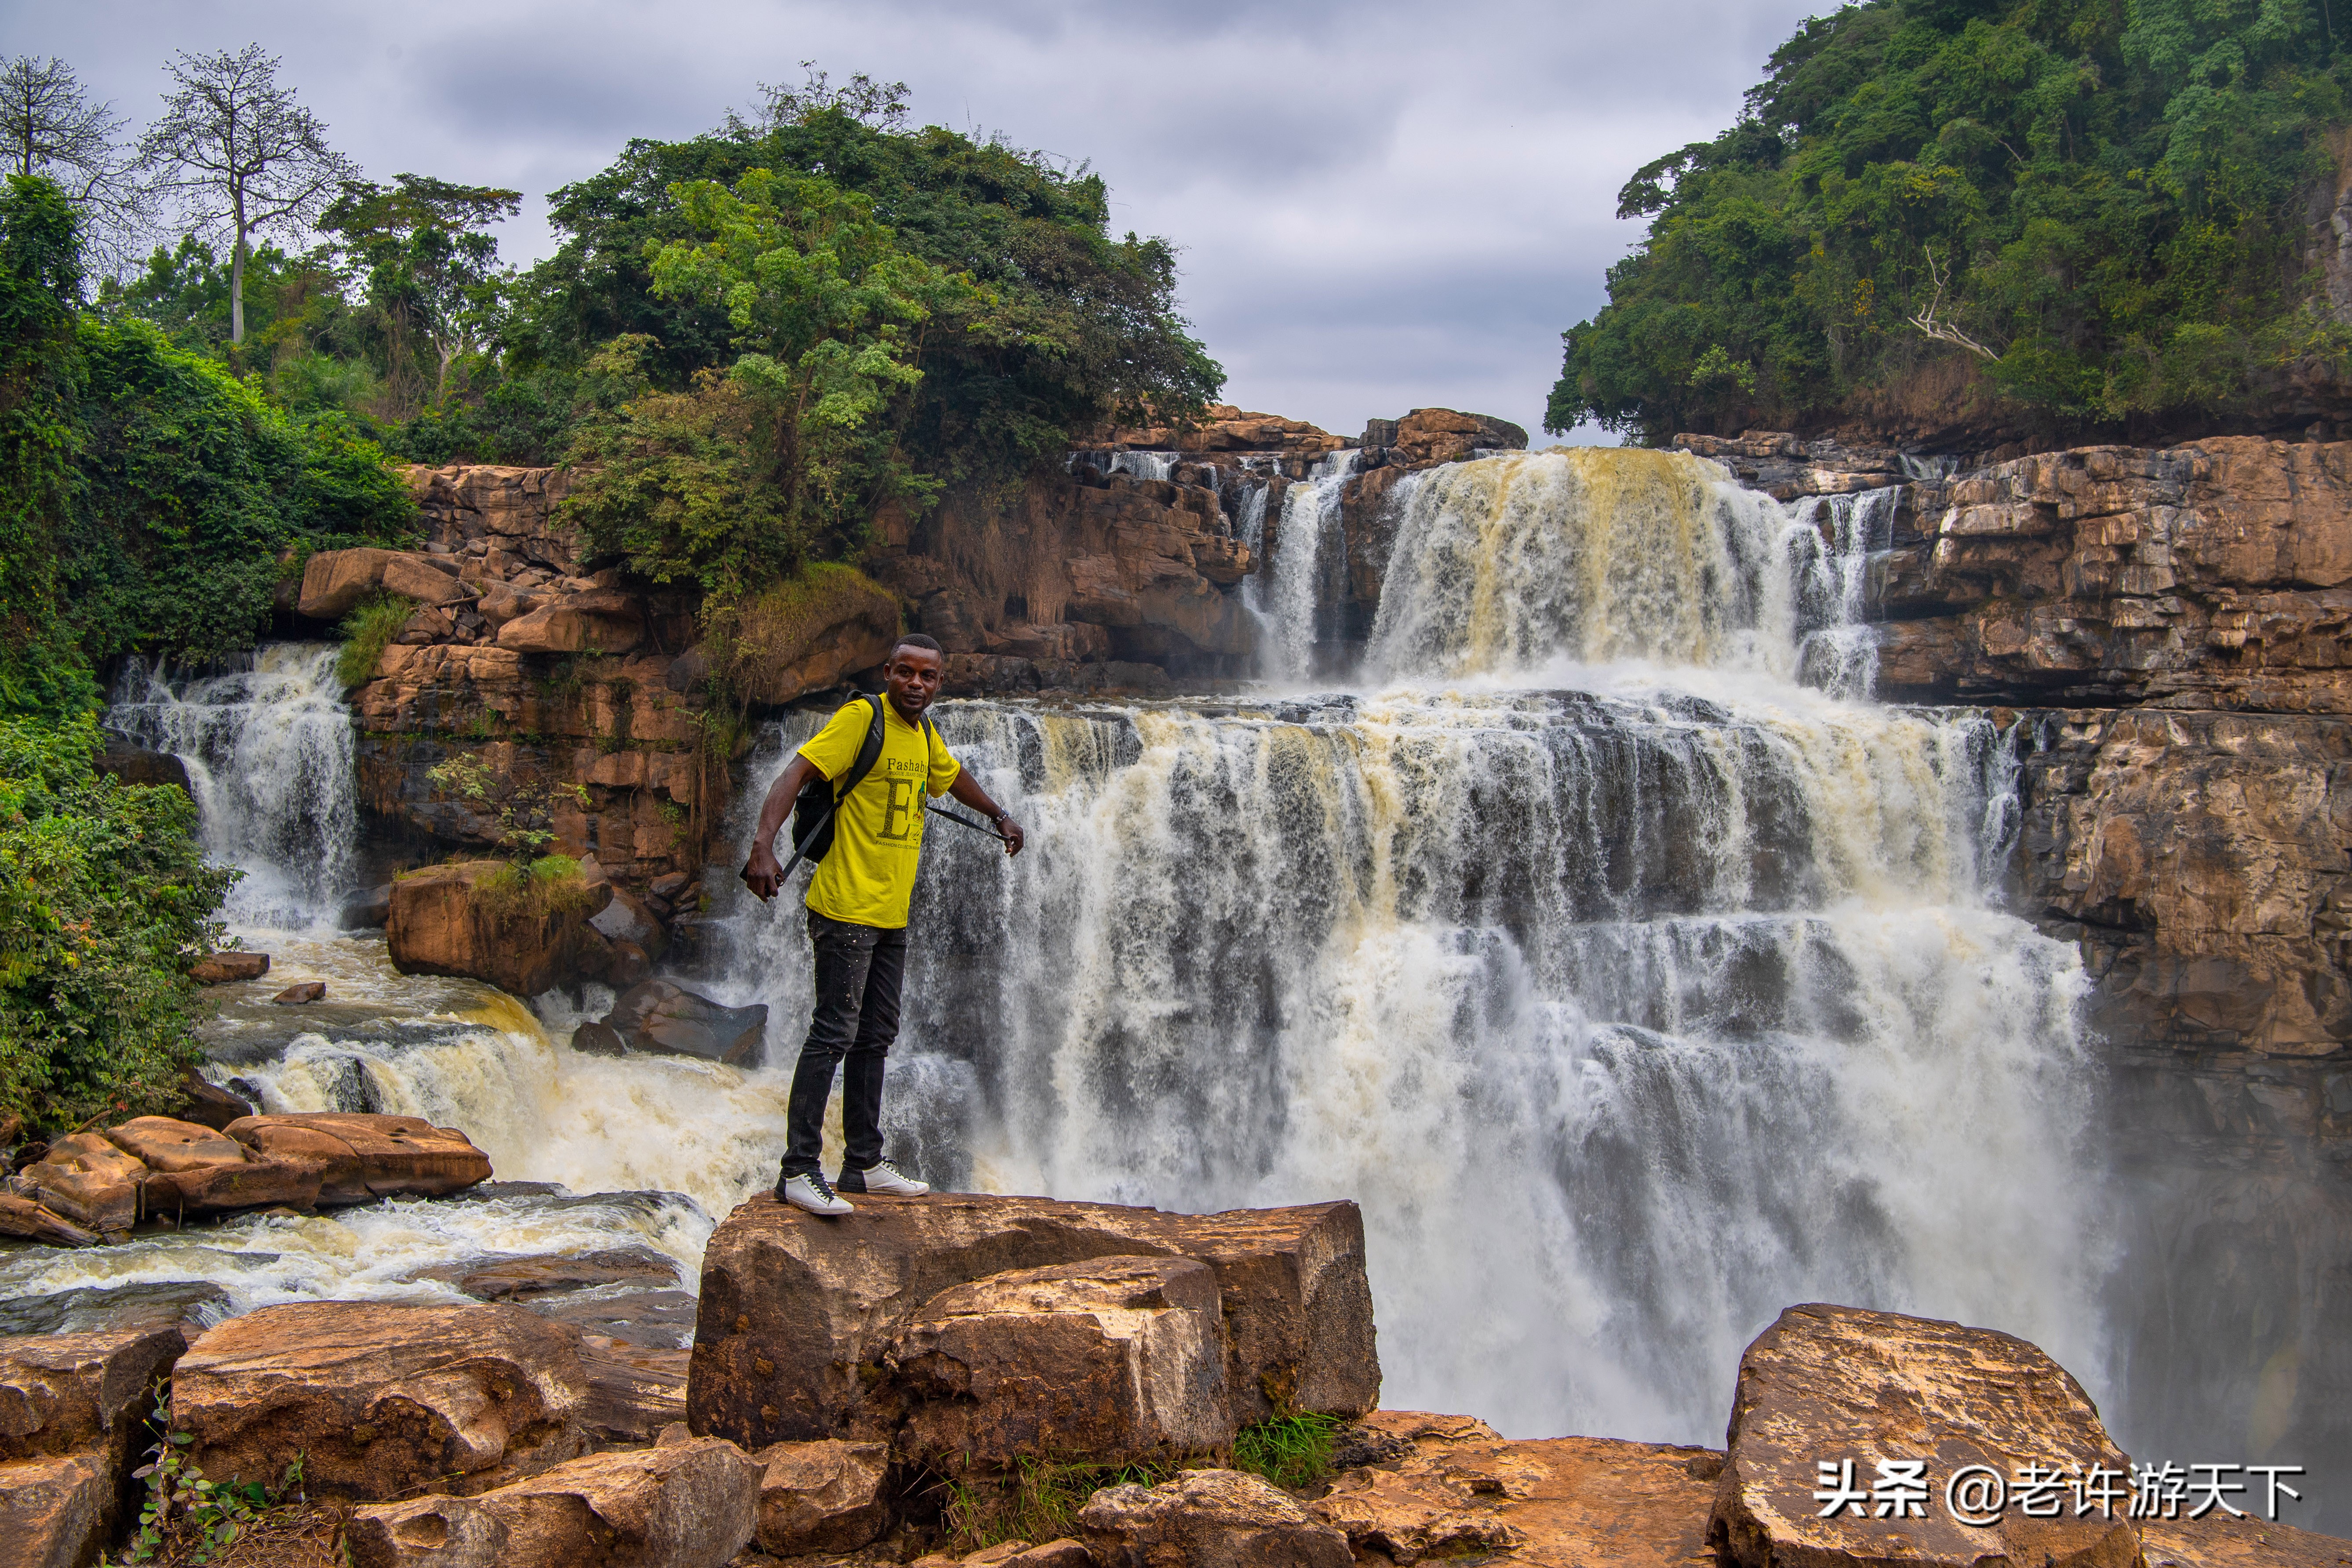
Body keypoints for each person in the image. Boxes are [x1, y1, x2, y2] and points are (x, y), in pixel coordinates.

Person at [740, 633, 1025, 1215]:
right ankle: (798, 1170)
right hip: (844, 905)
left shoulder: (923, 733)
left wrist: (999, 814)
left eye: (927, 676)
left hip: (891, 911)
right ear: (888, 672)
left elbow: (950, 777)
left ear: (939, 682)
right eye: (906, 673)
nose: (916, 684)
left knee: (875, 1036)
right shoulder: (859, 719)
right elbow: (795, 773)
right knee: (833, 1034)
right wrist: (762, 845)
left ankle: (864, 1163)